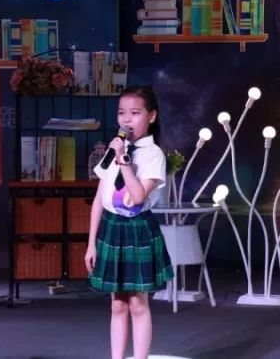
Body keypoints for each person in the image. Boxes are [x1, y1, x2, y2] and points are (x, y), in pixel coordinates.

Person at [85, 85, 173, 359]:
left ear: (151, 116)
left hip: (137, 230)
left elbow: (137, 197)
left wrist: (123, 161)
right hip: (111, 229)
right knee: (117, 304)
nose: (126, 119)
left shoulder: (153, 154)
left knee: (137, 303)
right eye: (122, 113)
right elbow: (99, 200)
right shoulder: (113, 151)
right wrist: (91, 244)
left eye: (135, 113)